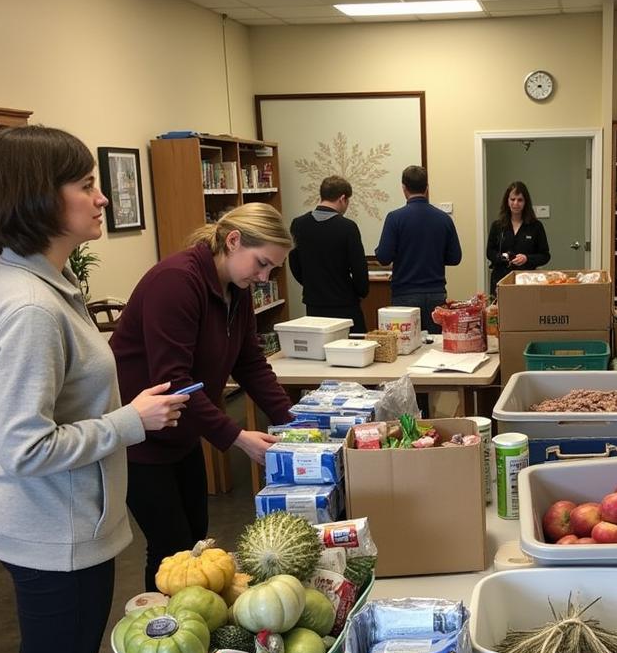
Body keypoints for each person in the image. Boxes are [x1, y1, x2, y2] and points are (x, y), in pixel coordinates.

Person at [0, 125, 188, 653]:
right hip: (52, 526)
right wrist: (130, 422)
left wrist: (124, 412)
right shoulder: (32, 305)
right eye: (84, 184)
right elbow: (23, 445)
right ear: (38, 197)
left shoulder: (44, 282)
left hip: (59, 520)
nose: (101, 197)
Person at [109, 203, 296, 591]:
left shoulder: (236, 290)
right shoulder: (176, 282)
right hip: (141, 440)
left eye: (272, 270)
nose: (264, 276)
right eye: (261, 263)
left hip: (182, 433)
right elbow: (175, 382)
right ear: (233, 241)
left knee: (195, 544)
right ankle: (164, 635)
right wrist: (238, 438)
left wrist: (294, 421)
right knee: (171, 551)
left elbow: (250, 363)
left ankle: (192, 629)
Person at [375, 164, 462, 333]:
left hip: (404, 295)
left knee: (405, 349)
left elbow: (384, 257)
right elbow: (455, 258)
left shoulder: (395, 218)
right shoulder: (443, 219)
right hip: (436, 294)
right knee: (435, 348)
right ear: (427, 188)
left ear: (404, 188)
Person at [289, 175, 369, 331]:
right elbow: (359, 267)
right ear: (342, 198)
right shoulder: (347, 227)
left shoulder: (298, 224)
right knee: (352, 348)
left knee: (320, 350)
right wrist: (361, 292)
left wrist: (311, 285)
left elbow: (294, 262)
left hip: (314, 304)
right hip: (344, 304)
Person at [485, 180, 551, 295]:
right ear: (507, 201)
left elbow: (545, 256)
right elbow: (490, 252)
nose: (515, 203)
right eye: (512, 199)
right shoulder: (497, 225)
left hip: (527, 281)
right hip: (501, 280)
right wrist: (502, 257)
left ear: (526, 202)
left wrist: (527, 258)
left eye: (520, 200)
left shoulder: (536, 226)